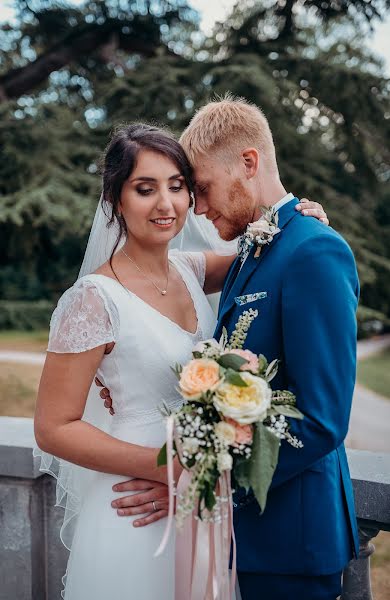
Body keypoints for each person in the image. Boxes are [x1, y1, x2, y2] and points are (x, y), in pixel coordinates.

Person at [34, 122, 327, 599]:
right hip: (135, 502)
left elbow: (277, 251)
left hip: (199, 505)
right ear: (116, 201)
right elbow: (53, 426)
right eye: (144, 189)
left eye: (178, 187)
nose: (166, 205)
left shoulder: (194, 269)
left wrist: (303, 215)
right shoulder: (92, 299)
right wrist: (168, 469)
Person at [180, 96, 360, 600]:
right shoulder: (248, 251)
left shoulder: (313, 249)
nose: (198, 207)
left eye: (203, 188)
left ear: (248, 163)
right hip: (245, 538)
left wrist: (213, 476)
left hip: (293, 542)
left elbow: (322, 418)